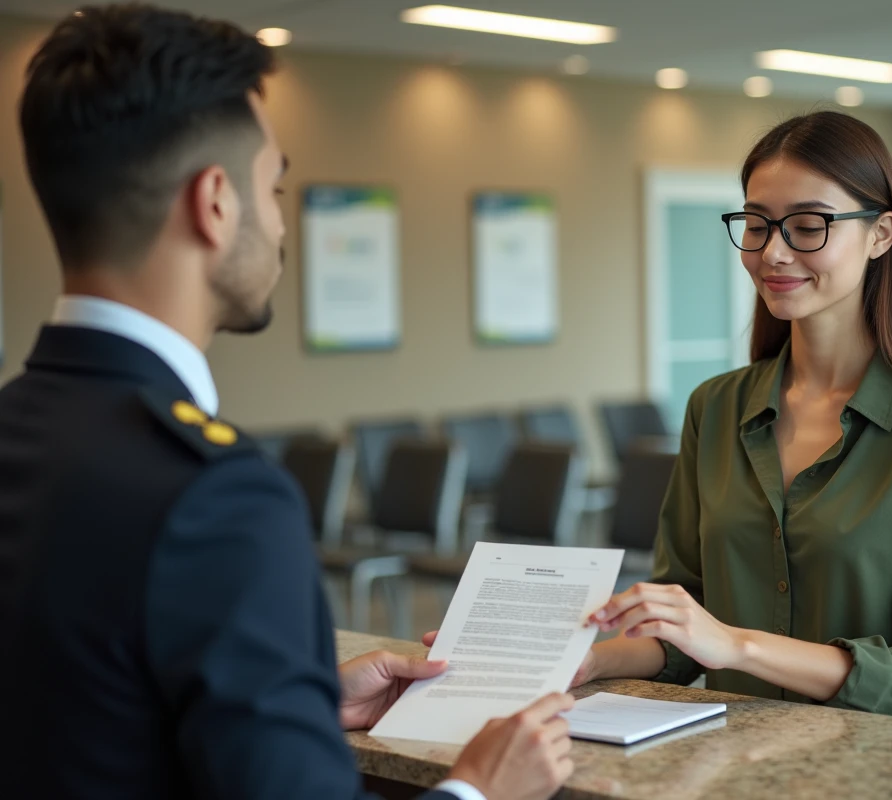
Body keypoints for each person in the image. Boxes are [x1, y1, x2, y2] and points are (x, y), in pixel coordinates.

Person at [0, 5, 573, 800]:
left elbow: (80, 705)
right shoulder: (215, 496)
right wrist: (477, 789)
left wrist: (293, 702)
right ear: (214, 203)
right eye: (273, 187)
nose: (277, 224)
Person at [575, 111, 892, 727]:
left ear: (881, 234)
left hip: (890, 773)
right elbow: (686, 624)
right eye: (756, 224)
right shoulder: (714, 408)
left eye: (808, 225)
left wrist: (738, 645)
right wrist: (587, 663)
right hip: (740, 761)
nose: (772, 251)